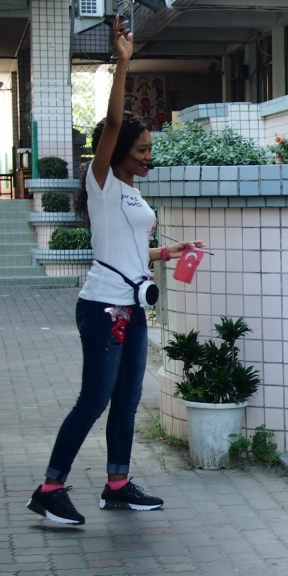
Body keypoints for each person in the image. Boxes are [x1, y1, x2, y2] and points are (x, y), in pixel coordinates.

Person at [28, 17, 206, 525]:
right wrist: (122, 62)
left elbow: (129, 251)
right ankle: (49, 489)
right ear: (120, 149)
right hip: (104, 308)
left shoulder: (130, 191)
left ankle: (118, 485)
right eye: (142, 149)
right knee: (95, 399)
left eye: (150, 148)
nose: (149, 156)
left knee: (127, 400)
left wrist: (167, 254)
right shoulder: (102, 181)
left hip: (131, 304)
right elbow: (109, 124)